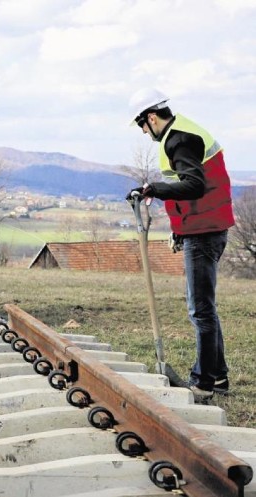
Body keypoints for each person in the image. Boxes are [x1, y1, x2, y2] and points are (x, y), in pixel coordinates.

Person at [127, 88, 235, 401]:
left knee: (200, 309)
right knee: (204, 308)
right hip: (202, 228)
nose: (144, 132)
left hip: (205, 232)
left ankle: (203, 383)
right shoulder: (180, 134)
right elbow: (190, 186)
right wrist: (180, 229)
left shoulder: (180, 139)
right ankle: (219, 378)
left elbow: (194, 184)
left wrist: (154, 189)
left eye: (142, 126)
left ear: (150, 118)